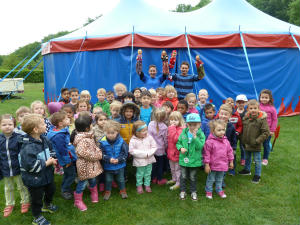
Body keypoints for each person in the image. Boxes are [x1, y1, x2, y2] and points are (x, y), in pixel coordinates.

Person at [19, 114, 58, 225]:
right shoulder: (28, 147)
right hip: (34, 179)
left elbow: (51, 150)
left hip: (46, 174)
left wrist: (53, 158)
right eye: (42, 123)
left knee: (51, 190)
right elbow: (31, 166)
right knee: (36, 198)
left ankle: (47, 204)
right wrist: (47, 163)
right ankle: (37, 216)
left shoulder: (43, 139)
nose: (45, 124)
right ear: (35, 129)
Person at [0, 114, 30, 217]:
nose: (7, 126)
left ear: (14, 125)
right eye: (4, 124)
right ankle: (9, 204)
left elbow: (24, 152)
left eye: (10, 124)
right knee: (8, 188)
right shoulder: (0, 139)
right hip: (5, 168)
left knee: (22, 186)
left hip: (18, 168)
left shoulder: (19, 138)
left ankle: (25, 201)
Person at [73, 113, 103, 211]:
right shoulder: (83, 140)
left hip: (91, 165)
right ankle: (78, 201)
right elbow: (84, 153)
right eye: (91, 124)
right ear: (87, 128)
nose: (92, 125)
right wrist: (98, 154)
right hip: (85, 166)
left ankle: (94, 192)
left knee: (92, 179)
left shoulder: (88, 136)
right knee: (82, 182)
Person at [47, 111, 77, 200]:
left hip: (68, 156)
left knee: (68, 174)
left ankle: (66, 187)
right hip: (67, 159)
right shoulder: (59, 136)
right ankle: (65, 190)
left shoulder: (61, 130)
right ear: (60, 123)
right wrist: (68, 161)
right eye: (66, 118)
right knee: (71, 174)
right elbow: (62, 150)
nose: (69, 119)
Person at [239, 100, 270, 183]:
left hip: (256, 144)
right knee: (247, 157)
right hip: (246, 143)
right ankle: (247, 170)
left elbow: (266, 132)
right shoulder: (245, 118)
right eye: (251, 108)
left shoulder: (262, 119)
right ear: (248, 109)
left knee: (257, 160)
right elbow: (243, 130)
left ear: (258, 109)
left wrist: (257, 141)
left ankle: (257, 175)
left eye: (255, 108)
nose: (253, 110)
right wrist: (242, 139)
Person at [176, 113, 205, 201]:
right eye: (190, 124)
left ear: (199, 124)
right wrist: (180, 148)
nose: (192, 127)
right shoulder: (184, 133)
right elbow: (178, 143)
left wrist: (195, 137)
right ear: (187, 124)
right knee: (183, 176)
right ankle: (183, 191)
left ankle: (193, 191)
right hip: (184, 159)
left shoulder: (200, 134)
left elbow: (200, 146)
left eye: (195, 125)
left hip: (194, 160)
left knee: (193, 176)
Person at [203, 120, 234, 199]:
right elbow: (207, 154)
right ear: (213, 131)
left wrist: (231, 161)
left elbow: (230, 151)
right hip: (213, 165)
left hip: (223, 164)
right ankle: (209, 191)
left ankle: (219, 189)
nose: (222, 132)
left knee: (220, 179)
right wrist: (207, 164)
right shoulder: (209, 142)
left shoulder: (226, 141)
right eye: (219, 130)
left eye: (223, 130)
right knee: (211, 179)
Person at [99, 120, 129, 200]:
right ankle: (108, 191)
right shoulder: (102, 142)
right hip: (108, 166)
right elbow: (101, 154)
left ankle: (122, 190)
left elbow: (125, 153)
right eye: (108, 133)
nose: (110, 135)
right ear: (105, 132)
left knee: (121, 179)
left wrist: (119, 160)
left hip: (120, 166)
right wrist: (108, 159)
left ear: (117, 132)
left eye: (113, 133)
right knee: (108, 180)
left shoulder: (121, 141)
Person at [129, 120, 157, 194]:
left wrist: (149, 153)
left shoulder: (149, 137)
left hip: (149, 159)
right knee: (140, 174)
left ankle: (147, 185)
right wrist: (144, 154)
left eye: (146, 130)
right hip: (139, 161)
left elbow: (154, 146)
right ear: (137, 132)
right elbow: (132, 151)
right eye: (143, 131)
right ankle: (139, 185)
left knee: (148, 173)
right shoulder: (133, 140)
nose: (145, 132)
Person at [148, 108, 168, 185]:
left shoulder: (150, 124)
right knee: (160, 165)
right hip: (160, 149)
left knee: (153, 164)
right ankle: (159, 179)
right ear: (164, 117)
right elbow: (165, 139)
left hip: (152, 148)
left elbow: (148, 136)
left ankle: (153, 178)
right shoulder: (164, 127)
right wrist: (166, 147)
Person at [167, 111, 185, 191]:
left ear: (180, 121)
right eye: (171, 120)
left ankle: (179, 182)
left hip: (177, 153)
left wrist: (172, 128)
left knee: (178, 169)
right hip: (171, 152)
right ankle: (174, 179)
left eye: (175, 120)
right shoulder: (171, 128)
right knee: (172, 168)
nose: (173, 122)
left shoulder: (181, 129)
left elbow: (175, 139)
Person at [259, 89, 278, 166]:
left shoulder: (272, 108)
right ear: (260, 97)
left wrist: (272, 130)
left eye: (266, 97)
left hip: (267, 130)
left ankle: (265, 158)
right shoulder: (257, 106)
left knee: (266, 144)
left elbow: (275, 120)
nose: (264, 99)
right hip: (258, 129)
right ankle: (257, 157)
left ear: (269, 98)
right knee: (257, 144)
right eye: (262, 97)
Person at [218, 104, 237, 176]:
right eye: (221, 114)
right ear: (219, 113)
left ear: (230, 116)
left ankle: (223, 177)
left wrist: (233, 148)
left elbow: (233, 138)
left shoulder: (231, 126)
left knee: (225, 162)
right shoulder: (215, 124)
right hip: (217, 148)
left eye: (225, 114)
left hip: (227, 148)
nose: (223, 116)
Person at [235, 94, 248, 166]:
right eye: (239, 102)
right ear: (236, 103)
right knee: (233, 145)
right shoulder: (234, 112)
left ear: (245, 103)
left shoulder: (247, 112)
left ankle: (243, 158)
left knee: (243, 146)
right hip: (235, 132)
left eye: (242, 102)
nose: (241, 104)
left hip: (244, 132)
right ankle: (232, 158)